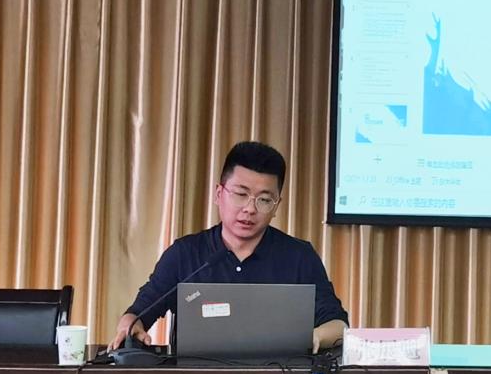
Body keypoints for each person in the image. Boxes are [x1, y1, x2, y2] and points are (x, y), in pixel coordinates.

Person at [107, 141, 348, 354]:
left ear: (276, 206)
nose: (250, 209)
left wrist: (311, 338)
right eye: (240, 194)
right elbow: (138, 313)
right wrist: (129, 328)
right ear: (218, 194)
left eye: (264, 200)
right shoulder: (185, 254)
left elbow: (338, 325)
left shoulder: (299, 257)